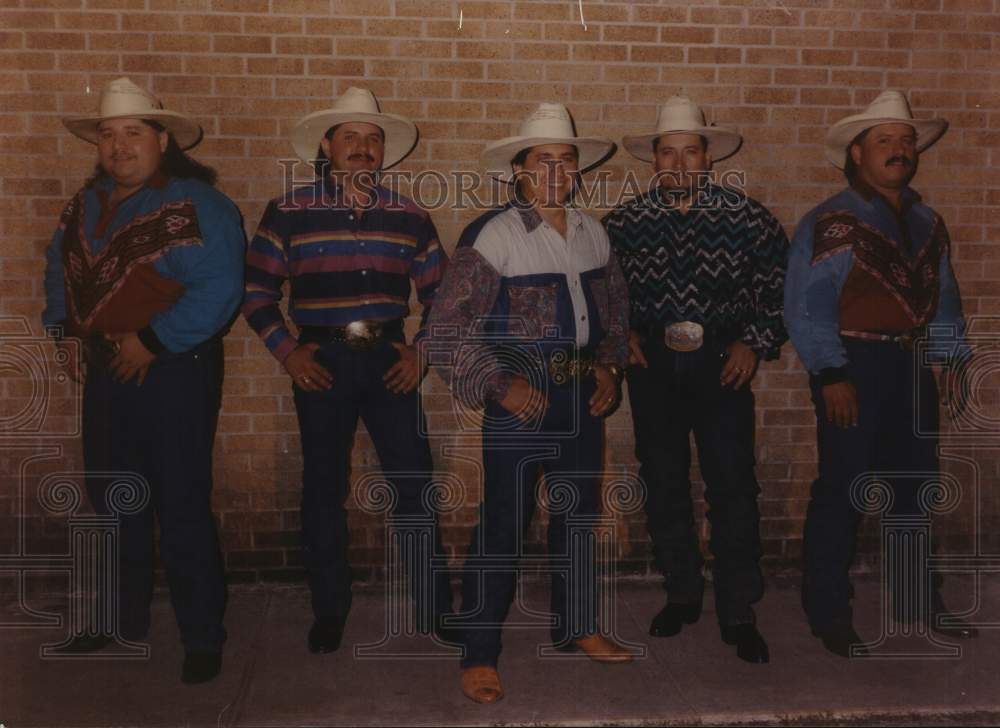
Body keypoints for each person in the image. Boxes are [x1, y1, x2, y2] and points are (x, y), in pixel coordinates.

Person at [426, 103, 632, 705]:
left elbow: (617, 312)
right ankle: (479, 652)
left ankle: (577, 626)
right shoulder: (493, 234)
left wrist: (611, 370)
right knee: (502, 526)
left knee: (578, 518)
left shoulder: (594, 231)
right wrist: (500, 384)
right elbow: (444, 329)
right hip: (518, 400)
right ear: (517, 168)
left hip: (580, 399)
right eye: (543, 160)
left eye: (566, 160)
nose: (556, 171)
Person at [42, 77, 245, 683]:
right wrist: (65, 331)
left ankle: (202, 637)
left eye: (133, 132)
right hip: (107, 369)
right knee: (110, 500)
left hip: (174, 370)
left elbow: (219, 288)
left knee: (181, 503)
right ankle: (115, 620)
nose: (118, 145)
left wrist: (151, 340)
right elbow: (59, 269)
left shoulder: (197, 204)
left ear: (162, 140)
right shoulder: (84, 206)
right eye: (107, 135)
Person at [242, 87, 453, 655]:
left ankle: (434, 608)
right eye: (350, 137)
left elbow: (444, 295)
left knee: (413, 484)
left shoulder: (410, 215)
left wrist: (421, 351)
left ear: (384, 151)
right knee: (323, 489)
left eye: (373, 138)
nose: (363, 147)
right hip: (321, 364)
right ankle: (330, 608)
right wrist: (288, 351)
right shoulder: (287, 212)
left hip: (390, 363)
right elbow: (256, 289)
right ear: (327, 146)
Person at [784, 89, 978, 657]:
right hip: (853, 366)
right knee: (842, 489)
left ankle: (919, 602)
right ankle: (827, 612)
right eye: (884, 141)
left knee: (914, 489)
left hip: (911, 365)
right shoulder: (833, 220)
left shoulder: (926, 220)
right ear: (856, 155)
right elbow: (807, 305)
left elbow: (944, 297)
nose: (899, 150)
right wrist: (828, 373)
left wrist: (950, 357)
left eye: (906, 140)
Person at [603, 96, 789, 664]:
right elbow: (601, 294)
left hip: (721, 367)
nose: (680, 164)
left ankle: (737, 607)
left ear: (708, 158)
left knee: (733, 486)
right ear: (653, 160)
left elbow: (783, 291)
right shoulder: (623, 225)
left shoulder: (748, 219)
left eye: (691, 152)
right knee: (663, 481)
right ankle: (681, 591)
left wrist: (753, 342)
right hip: (653, 369)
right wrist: (622, 336)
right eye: (668, 153)